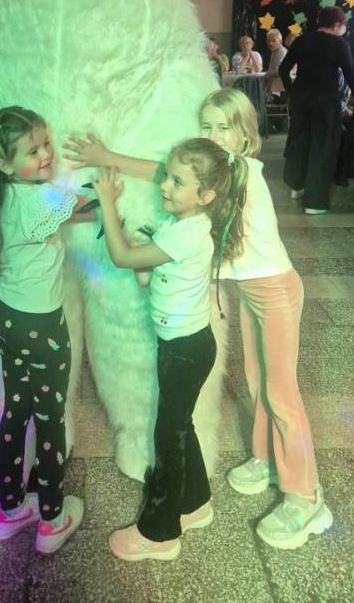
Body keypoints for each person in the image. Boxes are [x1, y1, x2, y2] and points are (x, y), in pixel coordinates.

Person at [88, 139, 247, 561]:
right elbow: (144, 275)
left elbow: (122, 259)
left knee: (168, 437)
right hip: (182, 346)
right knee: (180, 426)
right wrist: (139, 243)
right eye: (167, 176)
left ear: (205, 195)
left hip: (184, 351)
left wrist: (108, 205)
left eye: (177, 181)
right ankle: (196, 503)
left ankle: (159, 534)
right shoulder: (179, 227)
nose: (164, 185)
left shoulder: (187, 234)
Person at [199, 89, 332, 549]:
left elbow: (182, 183)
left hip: (275, 292)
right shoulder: (223, 171)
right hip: (253, 294)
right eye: (206, 126)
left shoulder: (242, 171)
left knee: (281, 394)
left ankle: (307, 497)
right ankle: (267, 457)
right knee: (258, 383)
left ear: (244, 135)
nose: (213, 135)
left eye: (223, 127)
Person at [0, 105, 89, 555]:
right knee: (50, 420)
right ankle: (52, 518)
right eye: (32, 151)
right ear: (3, 163)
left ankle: (11, 509)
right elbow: (86, 202)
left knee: (16, 412)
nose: (45, 154)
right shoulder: (41, 199)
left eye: (46, 144)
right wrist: (107, 176)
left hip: (6, 316)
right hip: (41, 324)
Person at [278, 6, 354, 214]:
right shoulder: (339, 44)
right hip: (326, 103)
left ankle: (297, 186)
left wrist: (292, 91)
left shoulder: (301, 41)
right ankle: (314, 203)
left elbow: (283, 69)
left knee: (300, 142)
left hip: (301, 101)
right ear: (337, 25)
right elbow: (350, 73)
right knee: (322, 148)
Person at [264, 29, 288, 94]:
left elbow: (278, 71)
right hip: (277, 85)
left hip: (280, 87)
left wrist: (267, 75)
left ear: (280, 41)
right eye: (268, 41)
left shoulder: (281, 52)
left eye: (274, 40)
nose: (271, 43)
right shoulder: (275, 51)